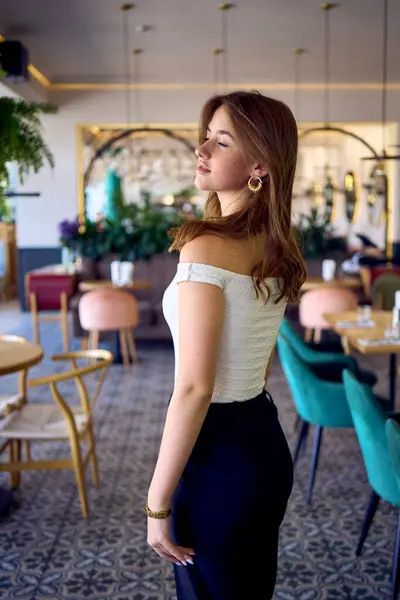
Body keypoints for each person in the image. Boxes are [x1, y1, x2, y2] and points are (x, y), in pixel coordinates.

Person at [146, 90, 306, 600]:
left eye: (221, 141)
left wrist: (155, 503)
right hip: (259, 441)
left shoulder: (206, 244)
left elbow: (194, 387)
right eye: (206, 137)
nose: (203, 149)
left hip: (218, 452)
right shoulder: (277, 243)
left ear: (259, 162)